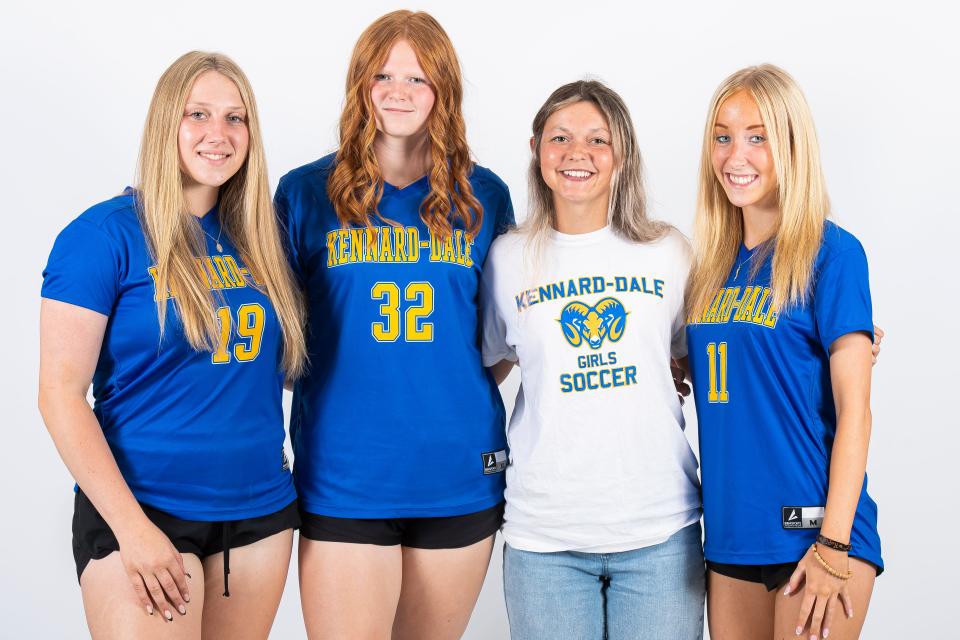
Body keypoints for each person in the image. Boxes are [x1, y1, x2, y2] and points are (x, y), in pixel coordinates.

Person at [38, 51, 307, 640]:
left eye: (236, 118)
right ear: (166, 123)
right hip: (144, 508)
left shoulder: (264, 239)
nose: (219, 134)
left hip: (259, 510)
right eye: (199, 114)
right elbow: (59, 395)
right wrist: (133, 531)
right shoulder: (103, 236)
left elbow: (276, 367)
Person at [273, 10, 514, 639]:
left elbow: (506, 335)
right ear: (360, 84)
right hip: (344, 472)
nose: (399, 91)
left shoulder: (484, 195)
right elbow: (282, 339)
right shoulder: (304, 193)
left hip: (458, 469)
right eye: (382, 74)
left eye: (418, 77)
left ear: (444, 90)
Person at [482, 80, 705, 639]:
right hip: (545, 535)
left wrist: (831, 343)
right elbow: (488, 364)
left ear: (621, 154)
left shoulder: (669, 253)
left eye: (596, 139)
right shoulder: (508, 258)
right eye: (560, 137)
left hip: (659, 530)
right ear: (536, 149)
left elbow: (708, 353)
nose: (576, 152)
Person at [684, 64, 882, 640]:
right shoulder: (710, 269)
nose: (735, 155)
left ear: (792, 144)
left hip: (814, 533)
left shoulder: (833, 254)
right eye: (723, 136)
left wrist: (832, 543)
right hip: (729, 533)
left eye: (758, 136)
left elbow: (856, 414)